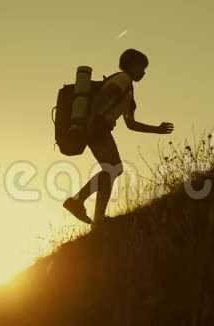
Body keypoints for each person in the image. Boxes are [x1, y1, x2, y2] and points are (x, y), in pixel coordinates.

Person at [63, 49, 174, 229]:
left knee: (112, 169)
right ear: (131, 65)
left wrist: (157, 130)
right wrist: (90, 124)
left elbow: (130, 124)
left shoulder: (128, 88)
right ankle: (82, 205)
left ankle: (95, 216)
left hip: (100, 129)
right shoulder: (122, 80)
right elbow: (101, 98)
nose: (144, 73)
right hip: (97, 128)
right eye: (141, 67)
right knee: (114, 168)